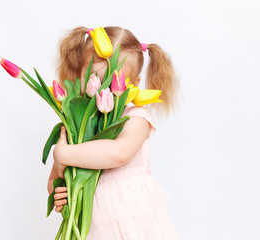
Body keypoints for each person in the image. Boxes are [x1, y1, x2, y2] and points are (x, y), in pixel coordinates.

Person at [47, 26, 180, 239]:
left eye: (111, 84)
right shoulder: (76, 128)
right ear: (78, 74)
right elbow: (57, 178)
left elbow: (119, 152)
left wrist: (65, 154)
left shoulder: (137, 117)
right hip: (94, 228)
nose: (101, 90)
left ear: (135, 84)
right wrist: (59, 193)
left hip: (135, 225)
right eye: (93, 80)